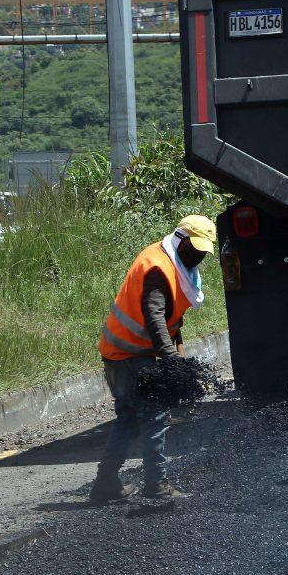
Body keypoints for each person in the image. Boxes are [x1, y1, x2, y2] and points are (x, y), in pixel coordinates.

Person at [90, 215, 217, 503]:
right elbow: (155, 317)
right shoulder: (158, 268)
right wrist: (171, 360)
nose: (198, 256)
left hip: (124, 354)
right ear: (180, 240)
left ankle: (105, 484)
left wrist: (178, 352)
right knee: (154, 415)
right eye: (194, 249)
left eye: (202, 252)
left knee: (129, 418)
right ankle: (156, 483)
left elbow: (173, 319)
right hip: (130, 354)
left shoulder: (176, 265)